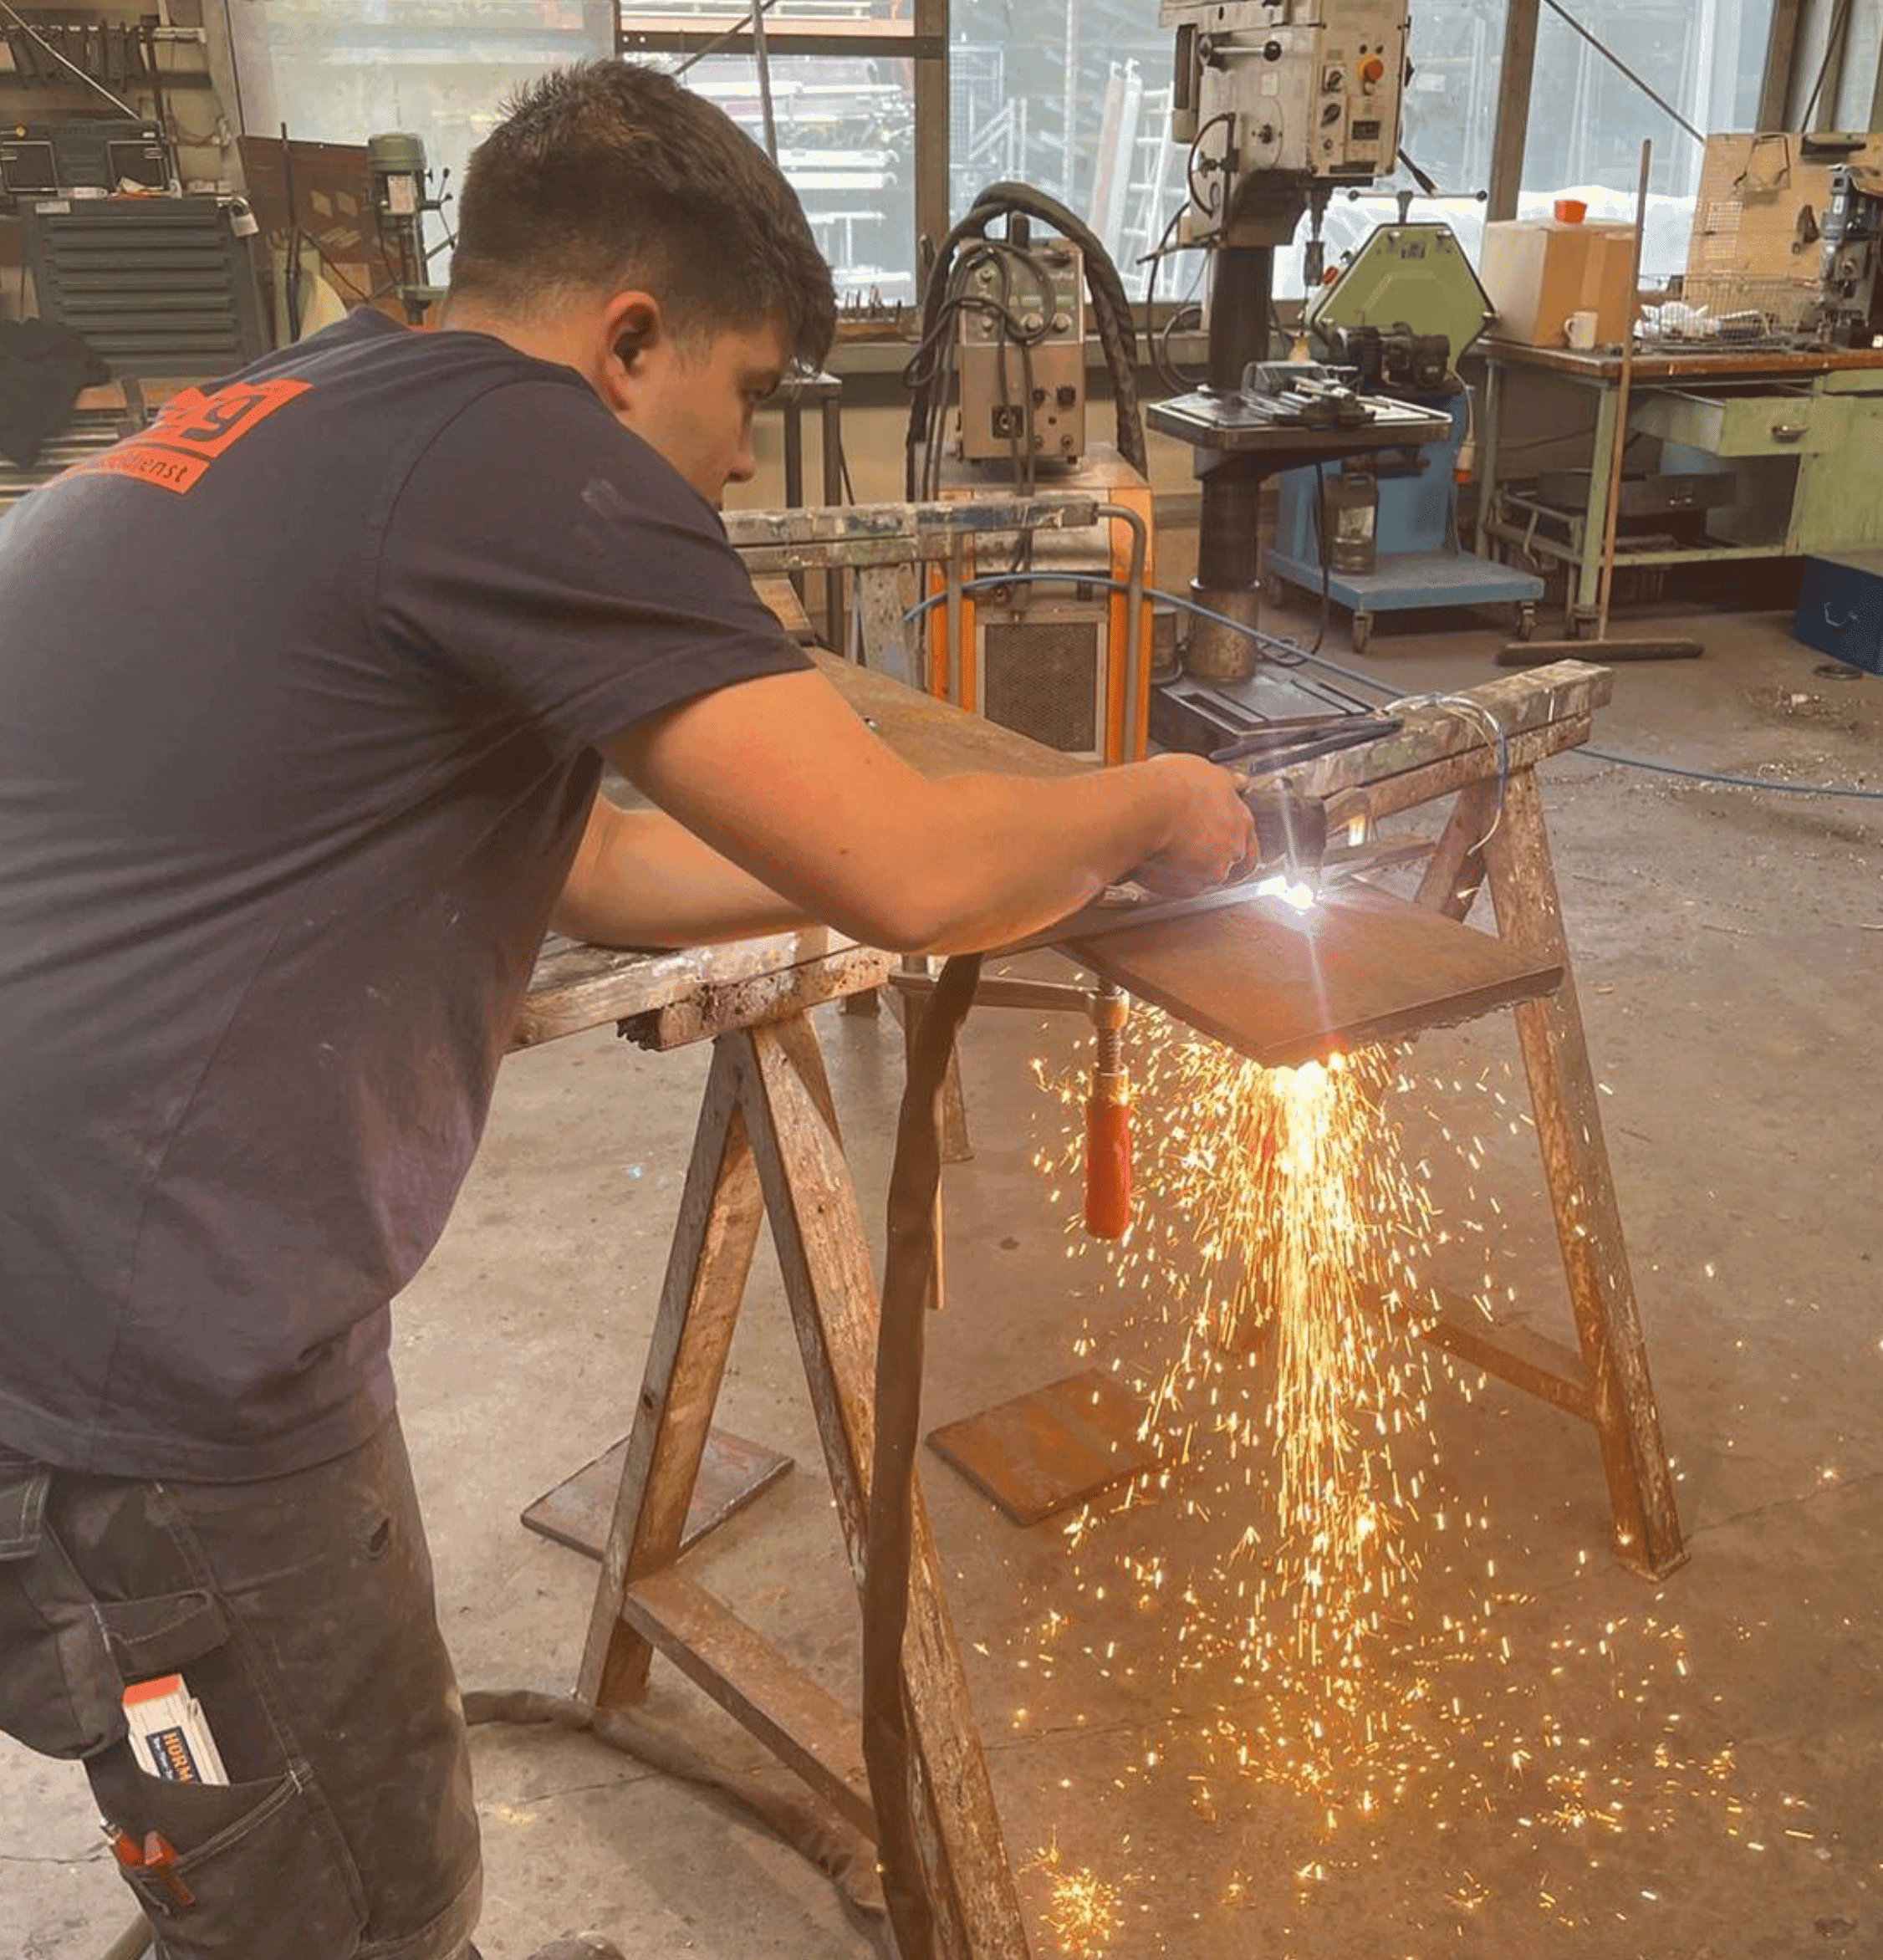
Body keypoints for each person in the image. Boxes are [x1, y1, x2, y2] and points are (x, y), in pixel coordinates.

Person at [0, 59, 1253, 1960]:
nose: (744, 462)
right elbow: (916, 881)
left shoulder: (314, 399)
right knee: (351, 1907)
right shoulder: (524, 445)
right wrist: (1151, 798)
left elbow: (599, 871)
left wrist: (954, 840)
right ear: (628, 336)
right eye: (743, 396)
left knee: (300, 1845)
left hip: (61, 1272)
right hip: (124, 1366)